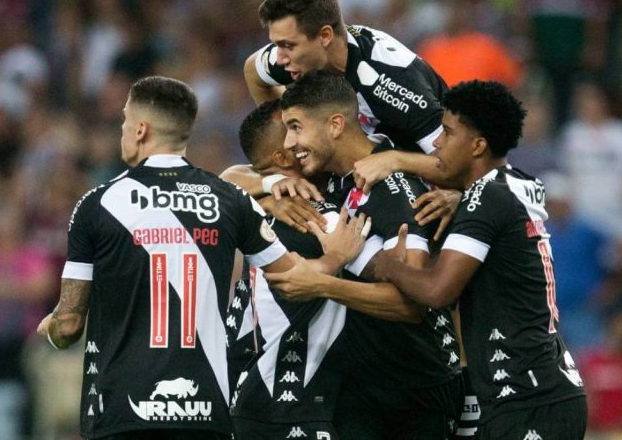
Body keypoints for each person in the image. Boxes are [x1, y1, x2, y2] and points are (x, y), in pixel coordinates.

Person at [35, 76, 369, 440]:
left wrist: (51, 330)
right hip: (206, 410)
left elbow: (68, 325)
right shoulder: (228, 200)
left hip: (123, 410)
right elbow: (292, 279)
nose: (122, 131)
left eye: (124, 122)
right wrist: (334, 259)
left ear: (141, 129)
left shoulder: (97, 205)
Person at [271, 80, 588, 438]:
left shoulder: (485, 197)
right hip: (533, 387)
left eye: (448, 134)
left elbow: (437, 291)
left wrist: (379, 263)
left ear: (478, 145)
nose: (436, 143)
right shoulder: (510, 186)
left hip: (528, 392)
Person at [267, 70, 463, 440]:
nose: (290, 143)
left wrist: (322, 285)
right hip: (357, 386)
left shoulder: (394, 188)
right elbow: (234, 174)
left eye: (296, 127)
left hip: (415, 390)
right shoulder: (334, 179)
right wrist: (269, 186)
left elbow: (410, 306)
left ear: (336, 124)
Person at [227, 98, 425, 439]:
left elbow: (226, 178)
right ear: (283, 156)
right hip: (290, 405)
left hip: (242, 394)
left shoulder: (250, 205)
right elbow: (406, 297)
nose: (297, 138)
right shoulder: (322, 218)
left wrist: (267, 186)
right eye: (291, 130)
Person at [244, 0, 457, 195]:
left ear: (325, 36)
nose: (279, 59)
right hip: (359, 178)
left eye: (287, 45)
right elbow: (252, 71)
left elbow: (453, 163)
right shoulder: (296, 57)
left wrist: (394, 160)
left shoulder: (391, 81)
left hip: (417, 189)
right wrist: (295, 133)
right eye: (276, 45)